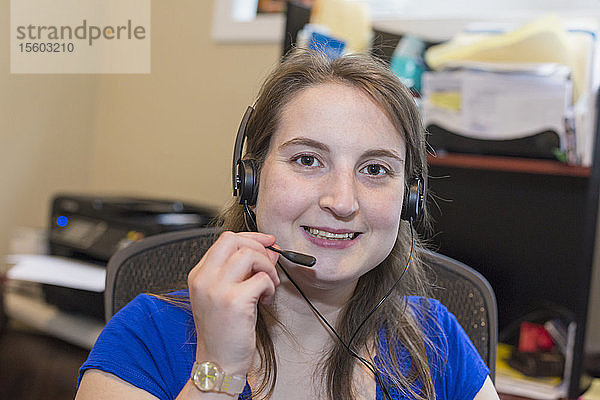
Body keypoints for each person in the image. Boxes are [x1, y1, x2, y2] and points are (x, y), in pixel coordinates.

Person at [75, 48, 500, 400]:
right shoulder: (146, 337)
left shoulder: (434, 341)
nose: (342, 201)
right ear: (250, 180)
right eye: (307, 160)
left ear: (410, 198)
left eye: (374, 169)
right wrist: (218, 371)